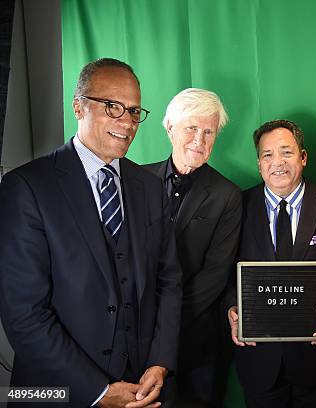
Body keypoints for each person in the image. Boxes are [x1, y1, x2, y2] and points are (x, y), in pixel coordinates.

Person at [0, 58, 182, 407]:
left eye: (133, 111)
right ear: (78, 106)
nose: (127, 122)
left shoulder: (149, 186)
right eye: (113, 107)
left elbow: (169, 279)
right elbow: (25, 314)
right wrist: (97, 392)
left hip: (141, 389)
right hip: (57, 394)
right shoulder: (26, 187)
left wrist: (161, 361)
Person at [226, 119, 316, 407]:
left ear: (303, 157)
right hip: (259, 361)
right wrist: (231, 308)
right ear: (258, 163)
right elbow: (220, 272)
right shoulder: (236, 206)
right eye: (268, 155)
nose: (277, 162)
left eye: (286, 152)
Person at [144, 88, 241, 407]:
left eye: (208, 131)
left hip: (198, 340)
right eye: (191, 128)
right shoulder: (136, 180)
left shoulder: (227, 195)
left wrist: (163, 326)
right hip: (137, 335)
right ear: (170, 127)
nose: (199, 139)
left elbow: (215, 275)